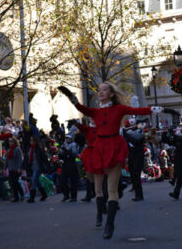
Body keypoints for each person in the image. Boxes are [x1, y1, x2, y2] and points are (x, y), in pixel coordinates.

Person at [58, 83, 178, 239]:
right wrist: (70, 96)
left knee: (111, 189)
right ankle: (100, 215)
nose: (100, 92)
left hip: (114, 147)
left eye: (104, 90)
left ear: (112, 94)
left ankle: (109, 223)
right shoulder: (95, 112)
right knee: (98, 187)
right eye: (99, 90)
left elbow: (138, 110)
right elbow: (81, 108)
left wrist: (164, 109)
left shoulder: (119, 109)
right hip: (99, 149)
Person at [123, 119, 145, 201]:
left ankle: (139, 195)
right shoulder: (128, 132)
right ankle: (136, 192)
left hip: (138, 156)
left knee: (136, 175)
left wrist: (125, 133)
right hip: (131, 156)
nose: (128, 127)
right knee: (132, 175)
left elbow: (135, 139)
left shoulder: (140, 131)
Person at [27, 136, 48, 203]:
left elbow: (44, 158)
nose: (31, 142)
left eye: (33, 140)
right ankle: (44, 194)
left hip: (38, 166)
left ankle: (32, 197)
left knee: (33, 180)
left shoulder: (39, 149)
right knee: (37, 181)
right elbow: (27, 158)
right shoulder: (30, 149)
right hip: (32, 166)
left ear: (36, 141)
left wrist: (48, 166)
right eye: (30, 140)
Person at [59, 134, 79, 202]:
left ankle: (74, 196)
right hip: (65, 164)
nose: (67, 139)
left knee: (73, 181)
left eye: (68, 138)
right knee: (62, 180)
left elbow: (74, 155)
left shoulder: (74, 145)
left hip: (72, 164)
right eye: (66, 138)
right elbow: (61, 155)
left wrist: (66, 151)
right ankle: (66, 195)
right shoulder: (64, 145)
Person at [5, 136, 24, 202]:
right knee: (13, 183)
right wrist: (5, 168)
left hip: (16, 168)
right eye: (9, 141)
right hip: (10, 169)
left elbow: (20, 159)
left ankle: (21, 194)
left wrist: (19, 168)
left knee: (15, 182)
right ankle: (16, 197)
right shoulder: (9, 150)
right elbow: (7, 160)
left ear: (15, 141)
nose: (10, 143)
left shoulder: (17, 149)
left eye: (12, 141)